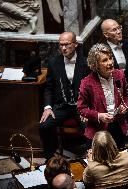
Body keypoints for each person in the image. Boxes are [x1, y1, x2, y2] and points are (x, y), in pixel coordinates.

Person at [39, 31, 90, 160]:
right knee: (44, 126)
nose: (63, 48)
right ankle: (50, 160)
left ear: (75, 44)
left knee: (90, 126)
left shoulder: (86, 62)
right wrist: (48, 107)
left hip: (81, 106)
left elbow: (93, 88)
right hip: (62, 106)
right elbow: (49, 88)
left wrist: (89, 109)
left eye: (66, 44)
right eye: (60, 45)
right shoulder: (53, 62)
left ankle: (92, 158)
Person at [77, 43, 128, 148]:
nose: (110, 63)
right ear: (96, 64)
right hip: (98, 130)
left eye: (110, 58)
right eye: (104, 60)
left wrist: (125, 106)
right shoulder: (87, 83)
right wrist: (99, 116)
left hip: (118, 124)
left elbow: (126, 96)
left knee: (119, 157)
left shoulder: (120, 75)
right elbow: (81, 108)